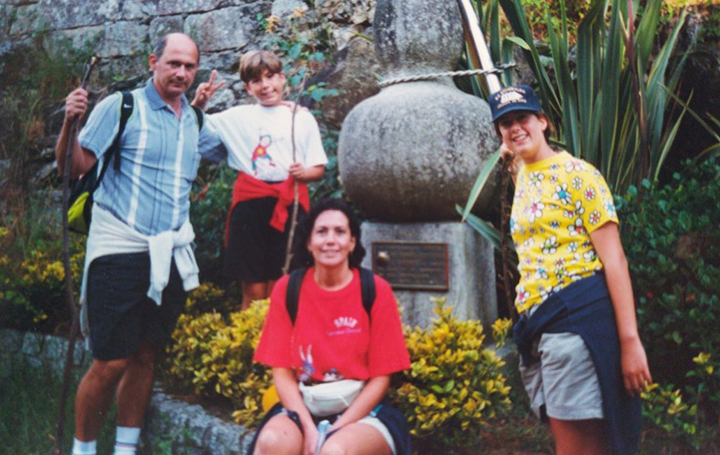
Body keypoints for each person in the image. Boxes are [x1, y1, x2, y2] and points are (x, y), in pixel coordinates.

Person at [55, 33, 226, 455]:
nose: (182, 73)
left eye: (189, 66)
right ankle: (83, 449)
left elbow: (243, 150)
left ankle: (126, 449)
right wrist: (68, 122)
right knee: (111, 360)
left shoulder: (194, 119)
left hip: (168, 256)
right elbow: (73, 167)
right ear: (154, 61)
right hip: (119, 250)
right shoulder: (121, 107)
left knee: (145, 356)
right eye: (174, 64)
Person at [488, 85, 652, 455]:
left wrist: (630, 342)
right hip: (541, 326)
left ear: (543, 121)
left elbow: (615, 260)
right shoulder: (522, 172)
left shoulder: (579, 175)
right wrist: (511, 151)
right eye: (505, 123)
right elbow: (517, 157)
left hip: (574, 323)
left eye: (523, 118)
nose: (515, 128)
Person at [249, 198, 412, 455]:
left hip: (362, 412)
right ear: (309, 242)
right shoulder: (288, 289)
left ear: (352, 242)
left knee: (334, 452)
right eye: (321, 232)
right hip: (305, 405)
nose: (330, 240)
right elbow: (281, 371)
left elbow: (382, 379)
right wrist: (308, 426)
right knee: (273, 443)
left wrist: (334, 430)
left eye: (340, 232)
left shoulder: (375, 290)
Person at [192, 50, 328, 310]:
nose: (265, 86)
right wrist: (200, 104)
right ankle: (251, 346)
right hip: (250, 207)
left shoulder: (301, 117)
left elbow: (318, 169)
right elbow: (189, 128)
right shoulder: (236, 117)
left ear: (282, 79)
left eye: (270, 77)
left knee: (284, 285)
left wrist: (303, 173)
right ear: (248, 87)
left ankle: (282, 345)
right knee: (253, 289)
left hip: (290, 206)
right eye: (256, 81)